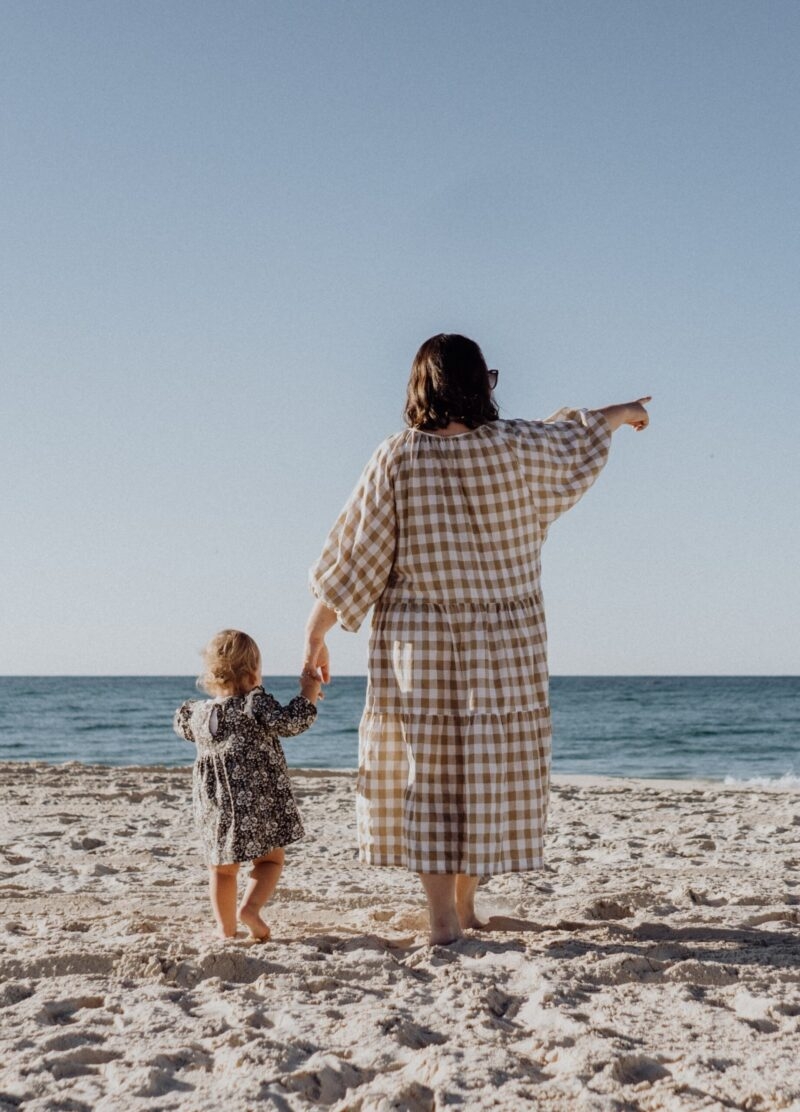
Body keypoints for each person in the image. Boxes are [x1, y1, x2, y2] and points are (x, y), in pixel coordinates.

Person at [304, 333, 650, 945]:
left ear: (421, 388)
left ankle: (442, 915)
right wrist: (621, 415)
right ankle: (465, 906)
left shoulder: (396, 457)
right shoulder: (515, 446)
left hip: (419, 641)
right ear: (479, 384)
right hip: (507, 640)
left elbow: (355, 560)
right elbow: (576, 435)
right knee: (489, 767)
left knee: (428, 770)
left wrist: (315, 639)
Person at [173, 629, 322, 941]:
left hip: (214, 805)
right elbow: (293, 722)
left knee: (221, 868)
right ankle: (250, 910)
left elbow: (183, 729)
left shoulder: (196, 713)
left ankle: (225, 929)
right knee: (269, 859)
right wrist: (309, 691)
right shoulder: (256, 705)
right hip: (257, 800)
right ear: (254, 671)